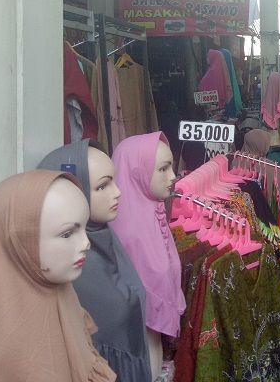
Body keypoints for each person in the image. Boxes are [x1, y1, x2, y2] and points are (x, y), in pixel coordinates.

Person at [0, 170, 116, 381]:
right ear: (18, 240)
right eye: (67, 234)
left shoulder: (63, 293)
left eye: (84, 228)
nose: (86, 243)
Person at [39, 141, 151, 381]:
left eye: (114, 180)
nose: (117, 192)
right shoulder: (68, 266)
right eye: (102, 186)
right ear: (73, 194)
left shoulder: (107, 240)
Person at [110, 132, 185, 380]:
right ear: (136, 174)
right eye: (162, 169)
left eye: (171, 167)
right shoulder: (130, 235)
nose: (173, 177)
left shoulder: (152, 217)